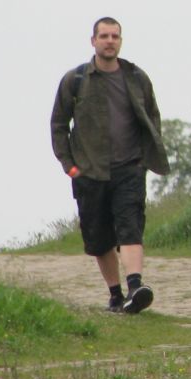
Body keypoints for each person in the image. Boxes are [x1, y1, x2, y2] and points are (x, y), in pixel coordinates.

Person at [51, 17, 170, 313]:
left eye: (115, 36)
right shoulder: (75, 80)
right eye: (104, 36)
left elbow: (152, 117)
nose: (109, 41)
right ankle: (116, 295)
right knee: (99, 238)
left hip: (130, 168)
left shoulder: (137, 77)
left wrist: (144, 158)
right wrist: (70, 166)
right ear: (93, 41)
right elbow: (58, 125)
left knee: (130, 228)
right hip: (89, 172)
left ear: (121, 41)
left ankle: (135, 287)